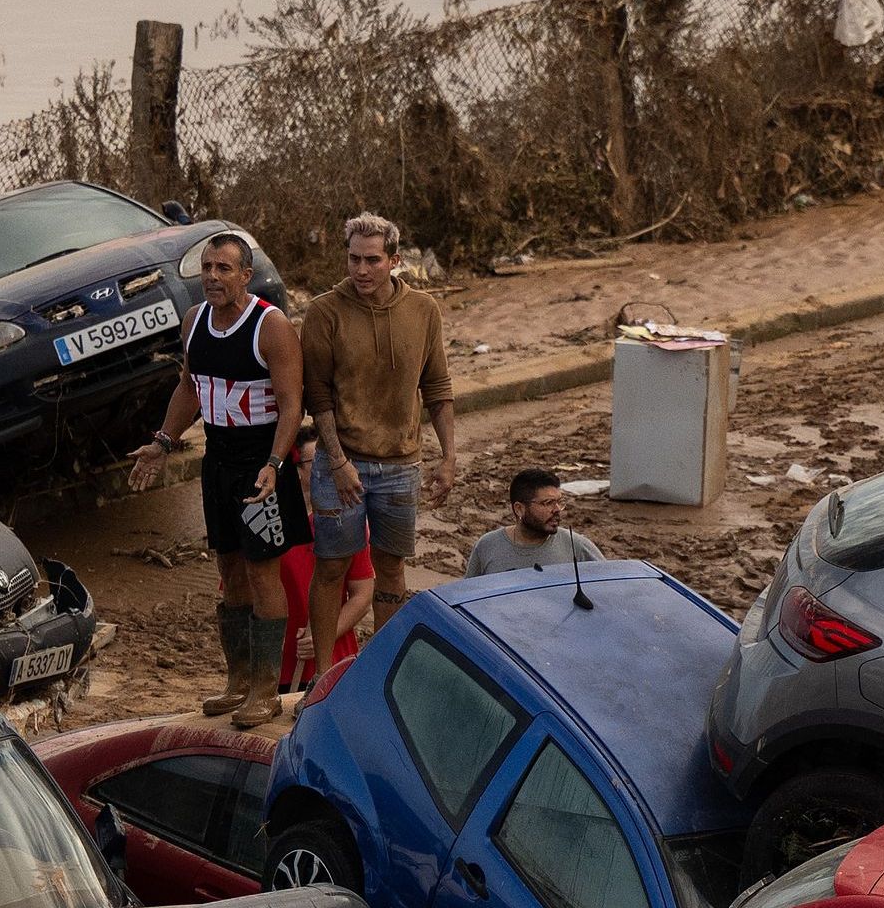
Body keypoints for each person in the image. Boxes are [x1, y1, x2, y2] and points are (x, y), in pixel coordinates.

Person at [125, 230, 307, 723]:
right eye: (207, 267)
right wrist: (163, 441)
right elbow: (189, 386)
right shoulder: (194, 322)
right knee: (228, 570)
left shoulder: (271, 327)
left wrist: (275, 464)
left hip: (260, 465)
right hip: (218, 463)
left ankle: (267, 691)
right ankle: (239, 682)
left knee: (261, 570)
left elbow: (293, 404)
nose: (212, 277)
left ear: (246, 275)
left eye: (223, 268)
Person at [296, 213, 457, 662]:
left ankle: (379, 670)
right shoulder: (325, 311)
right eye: (353, 259)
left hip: (402, 464)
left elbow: (438, 389)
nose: (361, 270)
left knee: (391, 569)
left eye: (372, 260)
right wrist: (340, 462)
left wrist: (448, 456)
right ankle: (324, 675)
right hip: (340, 463)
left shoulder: (423, 310)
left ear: (395, 260)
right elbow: (318, 396)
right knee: (331, 566)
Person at [463, 467, 602, 576]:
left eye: (559, 502)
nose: (557, 509)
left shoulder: (576, 546)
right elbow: (466, 598)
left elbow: (611, 586)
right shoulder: (487, 546)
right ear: (519, 509)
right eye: (548, 503)